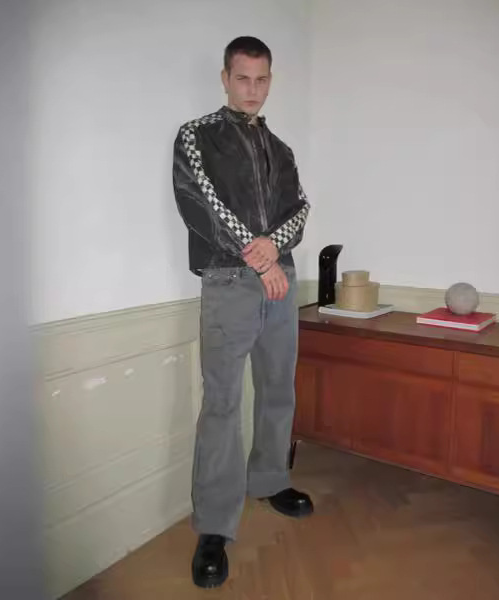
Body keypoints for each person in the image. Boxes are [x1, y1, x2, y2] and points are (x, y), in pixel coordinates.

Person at [171, 36, 313, 589]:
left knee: (278, 386)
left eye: (262, 79)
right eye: (243, 78)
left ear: (270, 81)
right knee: (223, 403)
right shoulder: (196, 135)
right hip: (229, 280)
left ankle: (271, 478)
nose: (252, 89)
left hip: (280, 279)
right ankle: (214, 525)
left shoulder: (282, 150)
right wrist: (261, 257)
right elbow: (201, 202)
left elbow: (300, 209)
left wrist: (274, 251)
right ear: (225, 78)